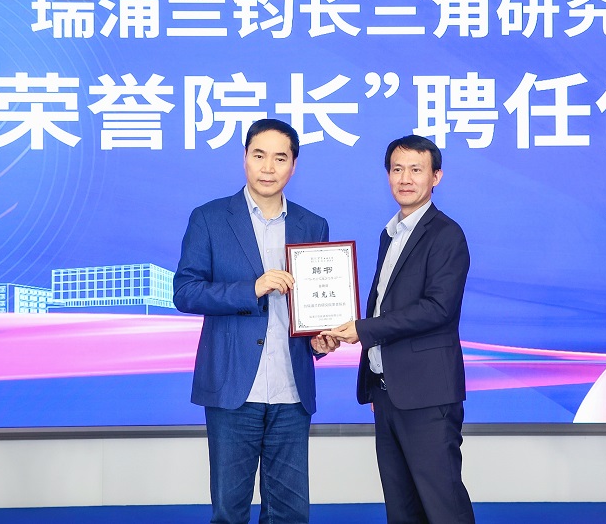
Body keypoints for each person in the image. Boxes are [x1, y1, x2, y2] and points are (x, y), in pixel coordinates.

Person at [173, 118, 339, 524]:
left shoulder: (312, 225)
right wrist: (252, 288)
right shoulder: (210, 218)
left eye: (280, 158)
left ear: (293, 165)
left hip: (291, 391)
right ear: (244, 158)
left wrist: (319, 340)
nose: (268, 167)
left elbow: (314, 306)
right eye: (259, 155)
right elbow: (186, 291)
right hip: (233, 389)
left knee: (290, 513)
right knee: (230, 512)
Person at [324, 134, 475, 524]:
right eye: (396, 169)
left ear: (436, 176)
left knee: (442, 505)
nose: (405, 178)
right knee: (401, 507)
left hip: (426, 393)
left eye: (416, 169)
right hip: (389, 391)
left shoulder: (446, 234)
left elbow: (438, 309)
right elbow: (384, 304)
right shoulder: (390, 233)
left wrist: (364, 329)